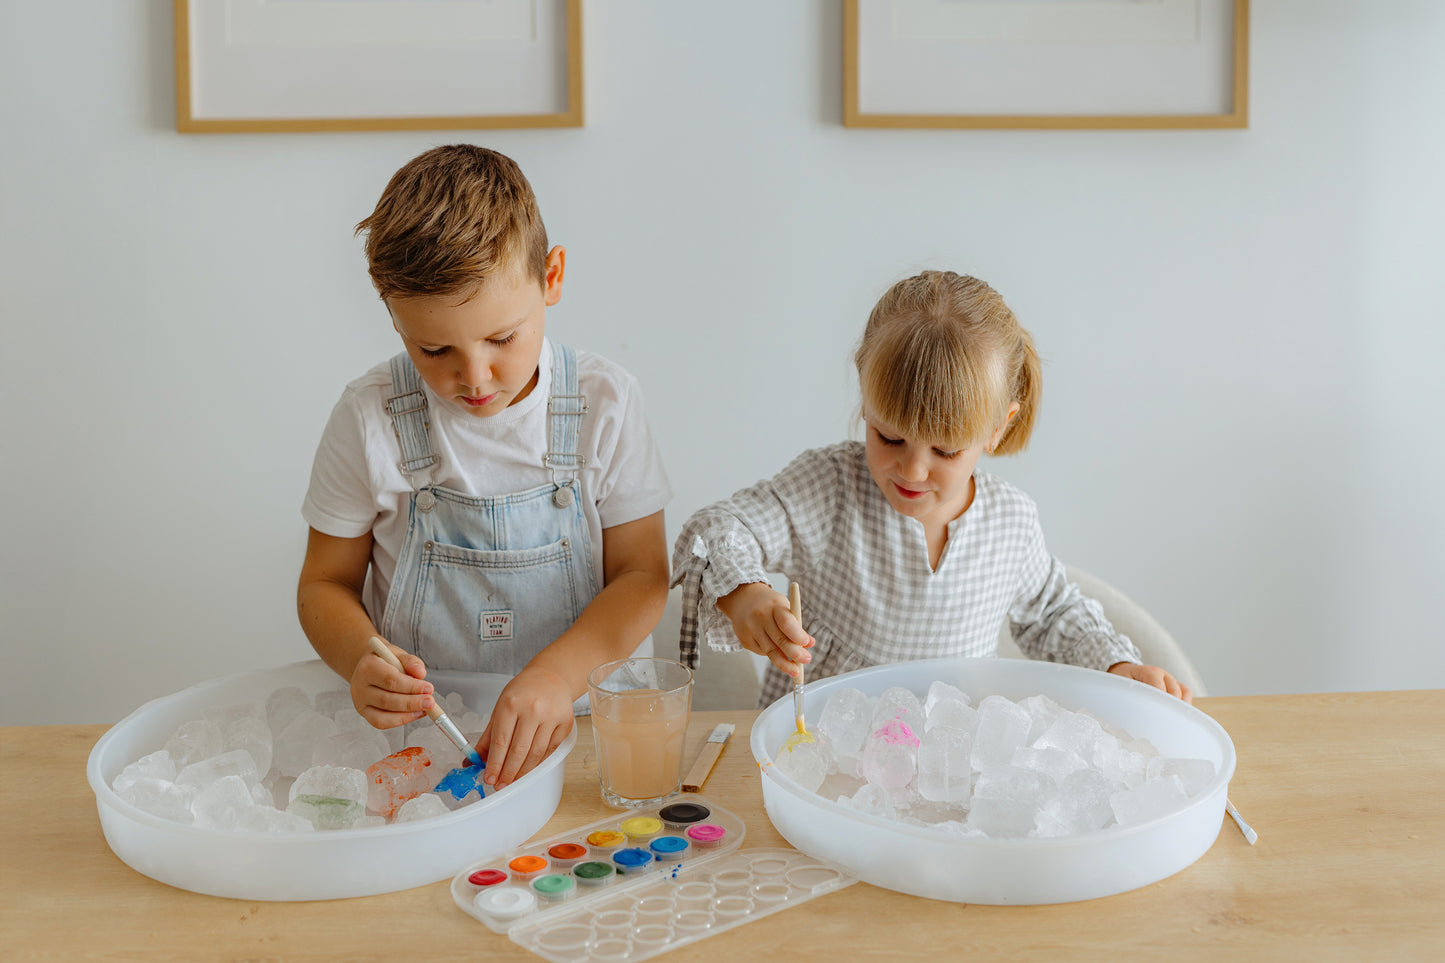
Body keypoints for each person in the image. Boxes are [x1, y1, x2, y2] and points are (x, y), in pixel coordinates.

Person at [298, 145, 671, 790]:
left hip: (584, 738)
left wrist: (556, 677)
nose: (473, 378)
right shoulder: (369, 418)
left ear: (551, 277)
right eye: (434, 348)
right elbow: (323, 585)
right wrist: (362, 658)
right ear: (392, 314)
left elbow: (643, 576)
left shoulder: (605, 405)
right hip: (427, 747)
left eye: (502, 339)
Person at [671, 270, 1191, 708]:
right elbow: (715, 530)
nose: (912, 471)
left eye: (944, 451)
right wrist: (745, 594)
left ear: (998, 428)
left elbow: (1054, 614)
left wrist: (1116, 664)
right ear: (865, 393)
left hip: (951, 774)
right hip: (817, 762)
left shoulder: (1010, 522)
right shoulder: (829, 490)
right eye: (888, 436)